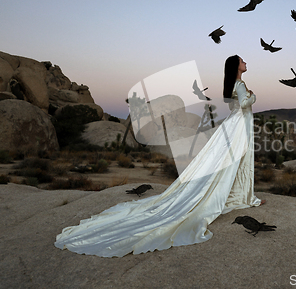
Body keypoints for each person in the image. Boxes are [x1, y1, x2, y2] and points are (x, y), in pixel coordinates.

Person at [54, 55, 263, 257]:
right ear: (236, 66)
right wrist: (253, 96)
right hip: (238, 125)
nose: (245, 63)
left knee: (231, 161)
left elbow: (234, 104)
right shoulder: (241, 85)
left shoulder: (233, 85)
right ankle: (243, 196)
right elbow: (244, 104)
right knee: (239, 161)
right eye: (242, 61)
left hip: (235, 123)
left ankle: (240, 194)